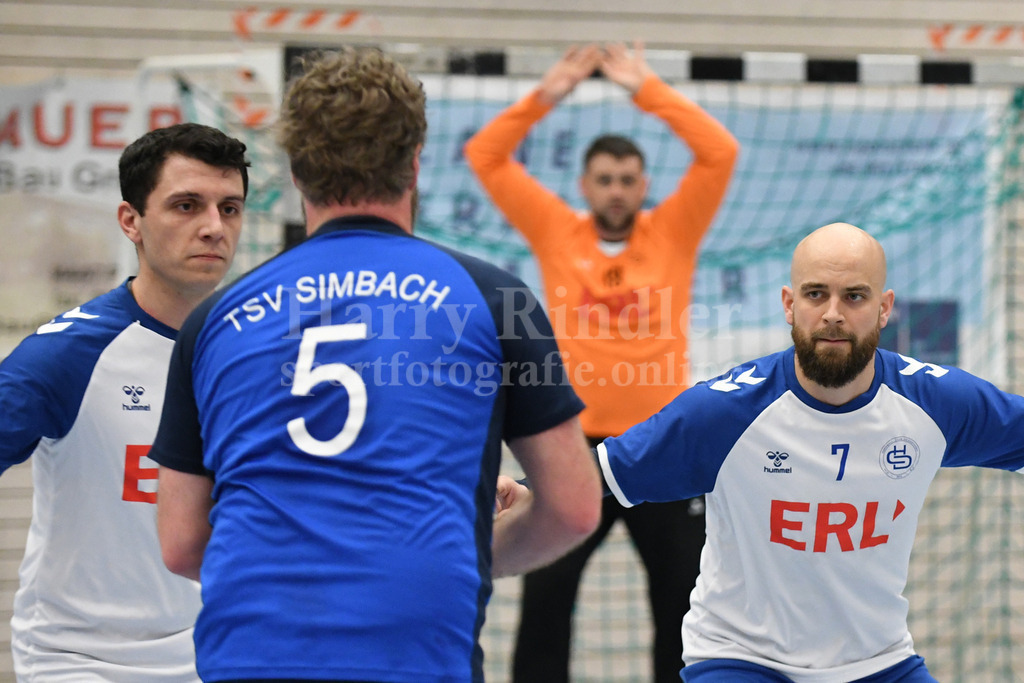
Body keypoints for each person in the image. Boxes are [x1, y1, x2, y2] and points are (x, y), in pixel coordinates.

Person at [149, 46, 603, 683]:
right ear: (414, 162)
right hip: (414, 654)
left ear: (296, 171)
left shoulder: (215, 318)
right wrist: (465, 551)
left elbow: (180, 543)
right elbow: (576, 508)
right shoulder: (490, 296)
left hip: (250, 653)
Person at [582, 222, 1024, 682]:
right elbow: (602, 474)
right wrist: (515, 493)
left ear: (884, 309)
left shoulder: (935, 401)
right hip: (742, 661)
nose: (833, 313)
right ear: (789, 305)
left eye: (854, 296)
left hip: (881, 663)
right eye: (816, 295)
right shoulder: (724, 412)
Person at [464, 42, 739, 682]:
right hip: (576, 451)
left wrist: (644, 86)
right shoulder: (558, 230)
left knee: (682, 606)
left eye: (627, 179)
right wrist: (552, 90)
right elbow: (485, 155)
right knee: (547, 599)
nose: (616, 190)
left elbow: (720, 152)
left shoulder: (673, 231)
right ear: (586, 185)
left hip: (664, 447)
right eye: (604, 179)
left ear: (644, 185)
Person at [0, 122, 249, 681]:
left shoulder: (257, 350)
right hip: (79, 660)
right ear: (130, 221)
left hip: (213, 652)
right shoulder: (67, 353)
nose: (213, 227)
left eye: (229, 208)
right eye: (187, 205)